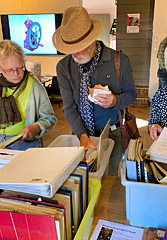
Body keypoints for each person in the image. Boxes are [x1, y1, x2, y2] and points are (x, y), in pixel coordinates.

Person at [52, 7, 137, 176]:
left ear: (92, 40)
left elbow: (131, 95)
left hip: (112, 135)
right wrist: (82, 135)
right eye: (71, 48)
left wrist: (115, 101)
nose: (76, 53)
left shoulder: (119, 60)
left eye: (81, 46)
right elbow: (69, 108)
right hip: (79, 133)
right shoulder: (64, 67)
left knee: (108, 176)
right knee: (81, 177)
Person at [0, 40, 57, 150]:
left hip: (28, 146)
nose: (16, 74)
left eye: (20, 68)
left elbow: (49, 119)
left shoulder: (34, 86)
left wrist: (35, 128)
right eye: (10, 70)